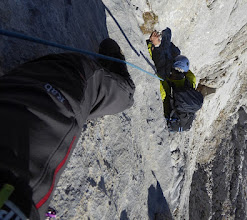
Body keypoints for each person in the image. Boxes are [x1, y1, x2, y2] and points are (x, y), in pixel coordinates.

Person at [0, 38, 135, 220]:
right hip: (36, 81)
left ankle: (113, 62)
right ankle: (112, 62)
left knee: (126, 95)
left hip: (65, 79)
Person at [147, 28, 202, 132]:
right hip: (179, 117)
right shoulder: (190, 81)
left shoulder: (167, 84)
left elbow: (153, 66)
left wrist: (152, 46)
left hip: (170, 114)